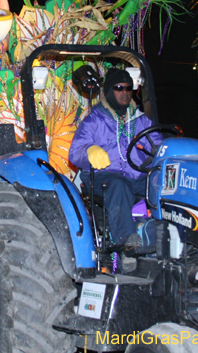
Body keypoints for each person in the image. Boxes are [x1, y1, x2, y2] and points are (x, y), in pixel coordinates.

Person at [69, 69, 163, 272]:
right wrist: (89, 151)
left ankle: (163, 237)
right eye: (119, 88)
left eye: (129, 88)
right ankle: (126, 245)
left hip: (136, 175)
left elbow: (158, 146)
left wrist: (157, 153)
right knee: (119, 185)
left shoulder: (141, 121)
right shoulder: (94, 120)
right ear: (110, 91)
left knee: (162, 183)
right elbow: (75, 154)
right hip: (104, 175)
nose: (125, 92)